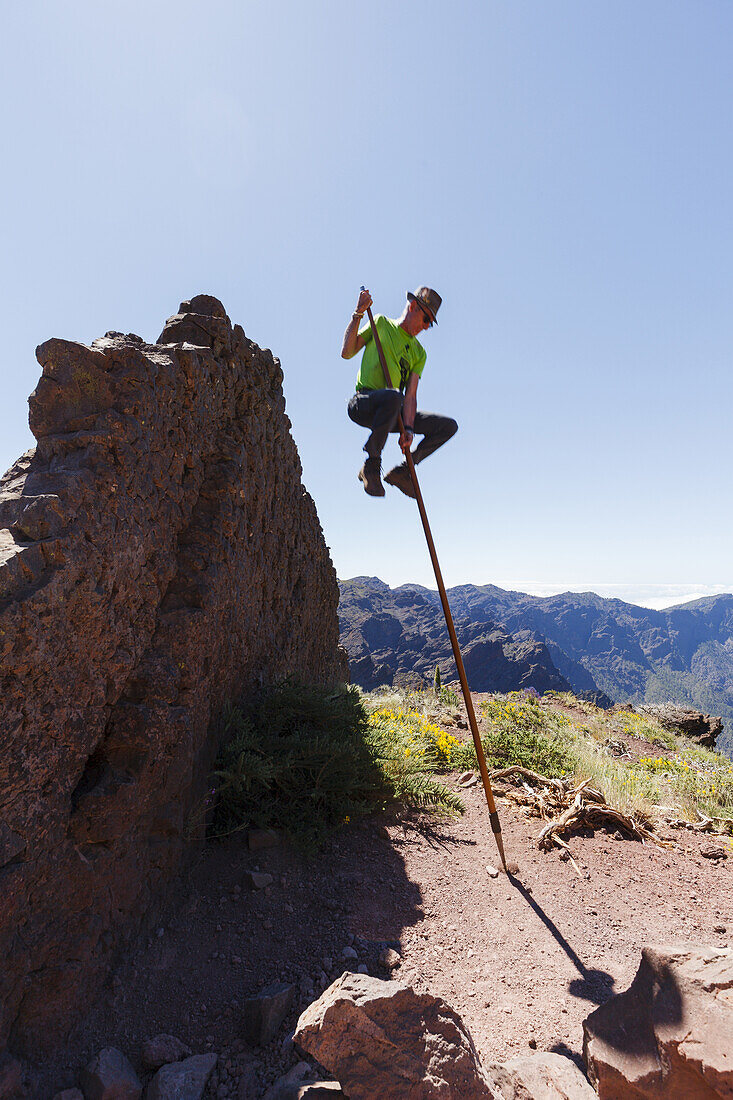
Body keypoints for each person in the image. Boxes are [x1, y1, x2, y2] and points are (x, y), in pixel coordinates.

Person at [341, 286, 458, 497]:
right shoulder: (381, 324)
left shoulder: (419, 353)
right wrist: (358, 313)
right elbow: (347, 352)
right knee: (394, 397)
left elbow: (411, 395)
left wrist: (410, 429)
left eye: (430, 324)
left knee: (448, 426)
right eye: (426, 320)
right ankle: (372, 463)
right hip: (364, 403)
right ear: (413, 306)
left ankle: (405, 471)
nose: (426, 327)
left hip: (394, 410)